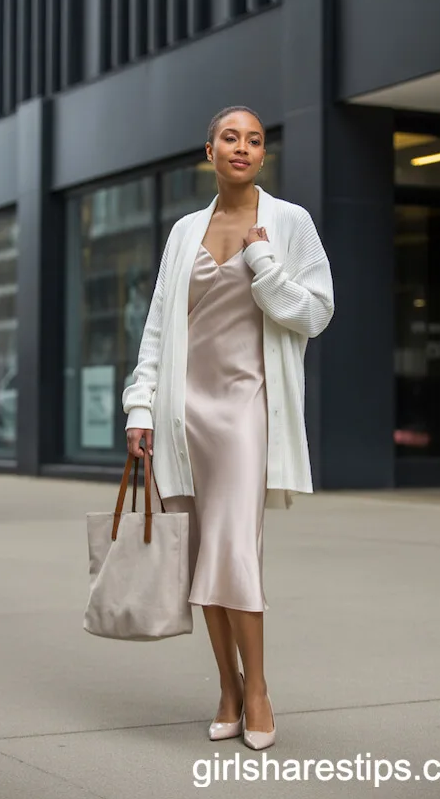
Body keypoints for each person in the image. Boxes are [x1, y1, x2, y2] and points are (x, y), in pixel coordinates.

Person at [123, 106, 334, 749]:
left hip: (248, 408)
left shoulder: (289, 222)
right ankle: (227, 686)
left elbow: (317, 313)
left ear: (261, 154)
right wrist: (140, 404)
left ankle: (260, 688)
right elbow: (159, 324)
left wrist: (266, 267)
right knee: (198, 556)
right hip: (183, 412)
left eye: (255, 139)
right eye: (230, 138)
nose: (242, 147)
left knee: (234, 550)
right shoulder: (184, 231)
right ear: (209, 149)